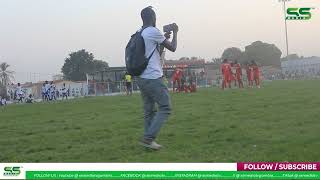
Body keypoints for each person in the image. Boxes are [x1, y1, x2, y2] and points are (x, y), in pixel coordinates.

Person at [136, 6, 178, 150]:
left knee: (149, 111)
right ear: (153, 18)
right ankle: (148, 139)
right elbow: (173, 48)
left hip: (141, 77)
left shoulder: (139, 32)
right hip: (153, 76)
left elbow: (156, 52)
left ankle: (148, 143)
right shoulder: (153, 31)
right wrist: (176, 33)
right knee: (165, 107)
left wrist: (163, 39)